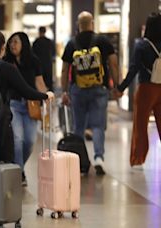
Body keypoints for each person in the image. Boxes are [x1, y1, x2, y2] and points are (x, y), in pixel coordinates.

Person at [0, 28, 54, 199]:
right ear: (2, 48)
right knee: (4, 156)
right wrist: (45, 95)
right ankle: (3, 194)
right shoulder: (6, 68)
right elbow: (26, 90)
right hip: (0, 121)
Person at [61, 11, 119, 175]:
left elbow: (65, 69)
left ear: (78, 24)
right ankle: (99, 158)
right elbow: (113, 64)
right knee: (98, 125)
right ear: (92, 23)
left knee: (78, 126)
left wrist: (64, 91)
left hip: (78, 90)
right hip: (98, 89)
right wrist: (116, 86)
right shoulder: (102, 41)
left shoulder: (72, 43)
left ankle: (79, 161)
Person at [113, 12, 161, 167]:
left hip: (146, 89)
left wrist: (121, 88)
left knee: (140, 125)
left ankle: (138, 158)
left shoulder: (142, 45)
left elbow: (133, 69)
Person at [4, 32, 49, 186]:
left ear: (24, 43)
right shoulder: (6, 62)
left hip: (31, 106)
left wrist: (46, 99)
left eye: (15, 42)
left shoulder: (34, 61)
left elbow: (39, 83)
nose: (12, 45)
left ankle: (18, 166)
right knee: (17, 139)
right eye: (10, 43)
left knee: (29, 141)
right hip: (13, 105)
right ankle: (19, 172)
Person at [32, 26, 55, 91]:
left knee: (39, 85)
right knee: (48, 84)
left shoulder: (36, 42)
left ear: (39, 32)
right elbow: (53, 53)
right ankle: (49, 98)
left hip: (39, 66)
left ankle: (41, 98)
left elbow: (33, 54)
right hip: (48, 66)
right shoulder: (49, 42)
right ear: (45, 32)